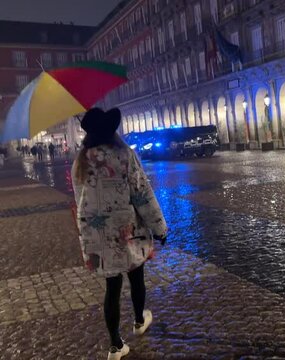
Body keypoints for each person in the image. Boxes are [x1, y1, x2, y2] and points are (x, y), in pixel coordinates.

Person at [71, 108, 168, 360]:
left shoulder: (81, 161)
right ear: (113, 132)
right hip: (128, 231)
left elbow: (80, 200)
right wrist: (159, 227)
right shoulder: (124, 155)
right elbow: (142, 194)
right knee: (136, 277)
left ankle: (115, 345)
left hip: (98, 236)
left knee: (111, 288)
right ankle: (138, 321)